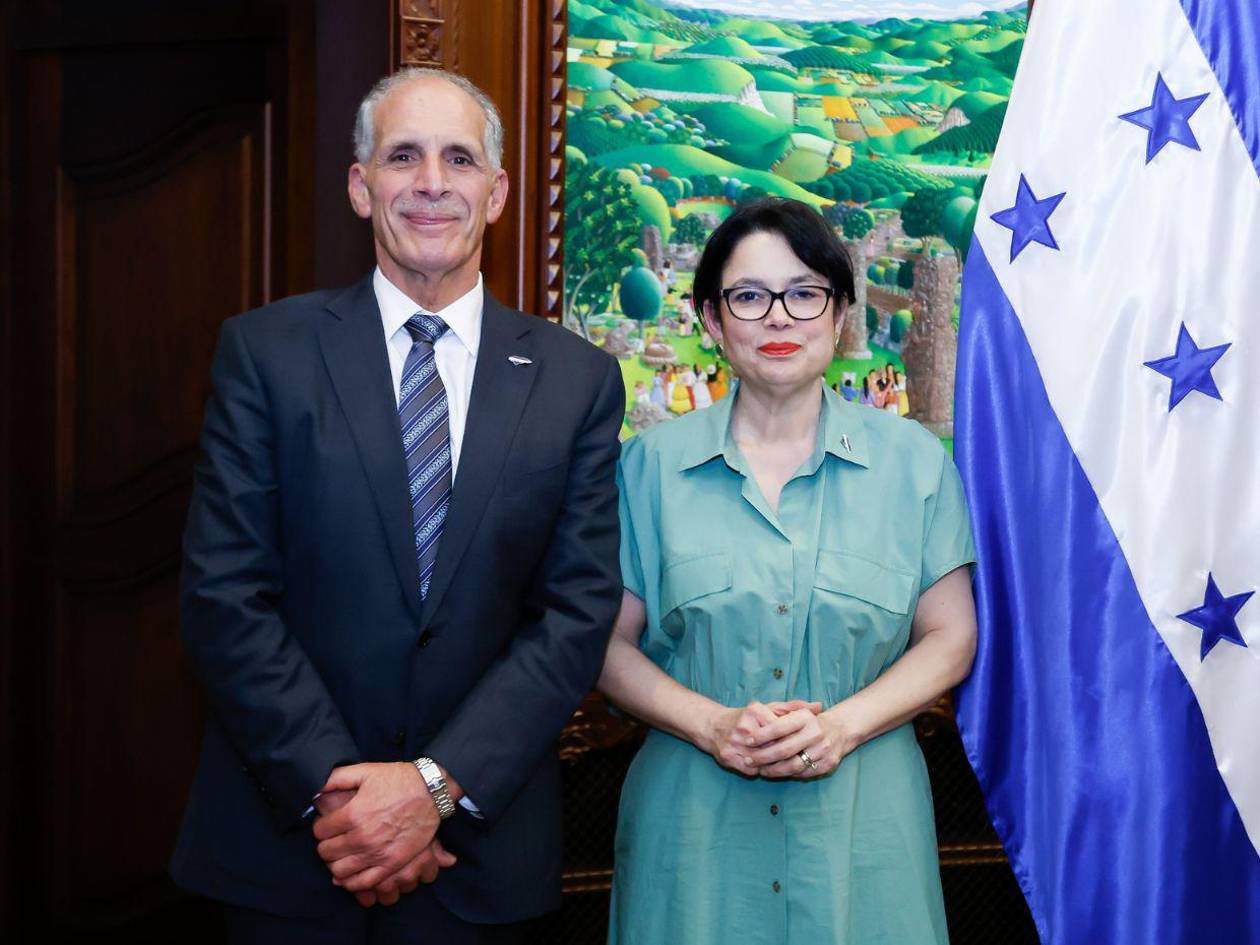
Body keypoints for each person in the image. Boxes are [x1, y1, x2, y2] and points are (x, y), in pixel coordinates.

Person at [170, 67, 625, 944]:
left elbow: (574, 614)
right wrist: (345, 797)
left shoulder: (578, 380)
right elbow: (225, 595)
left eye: (459, 159)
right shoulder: (265, 354)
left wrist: (433, 788)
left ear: (497, 194)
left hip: (478, 862)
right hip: (290, 852)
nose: (431, 183)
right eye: (403, 156)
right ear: (360, 185)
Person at [599, 198, 978, 945]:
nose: (779, 317)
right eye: (749, 296)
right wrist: (713, 725)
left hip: (863, 831)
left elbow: (951, 636)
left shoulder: (913, 465)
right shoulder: (647, 468)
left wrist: (840, 728)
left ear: (840, 315)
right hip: (694, 840)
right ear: (713, 320)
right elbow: (606, 646)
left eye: (805, 293)